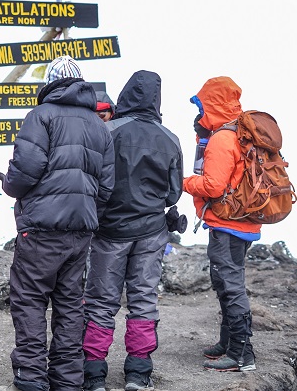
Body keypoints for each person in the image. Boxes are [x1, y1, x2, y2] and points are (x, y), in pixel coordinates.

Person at [0, 55, 115, 391]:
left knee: (30, 299)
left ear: (49, 83)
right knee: (69, 304)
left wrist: (9, 185)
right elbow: (106, 187)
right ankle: (67, 380)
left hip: (41, 229)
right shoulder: (99, 125)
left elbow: (25, 171)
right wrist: (89, 216)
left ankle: (32, 378)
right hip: (80, 231)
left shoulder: (41, 115)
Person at [81, 71, 183, 391]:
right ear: (157, 99)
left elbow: (94, 182)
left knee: (100, 302)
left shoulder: (107, 131)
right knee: (143, 300)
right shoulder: (170, 138)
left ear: (125, 95)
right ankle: (138, 373)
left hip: (109, 231)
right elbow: (173, 194)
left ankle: (94, 373)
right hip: (152, 231)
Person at [182, 76, 259, 372]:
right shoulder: (238, 132)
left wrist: (182, 182)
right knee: (226, 283)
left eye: (202, 105)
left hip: (228, 225)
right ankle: (229, 343)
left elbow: (213, 186)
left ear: (211, 104)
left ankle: (241, 354)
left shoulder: (223, 139)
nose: (199, 113)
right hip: (242, 223)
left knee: (231, 286)